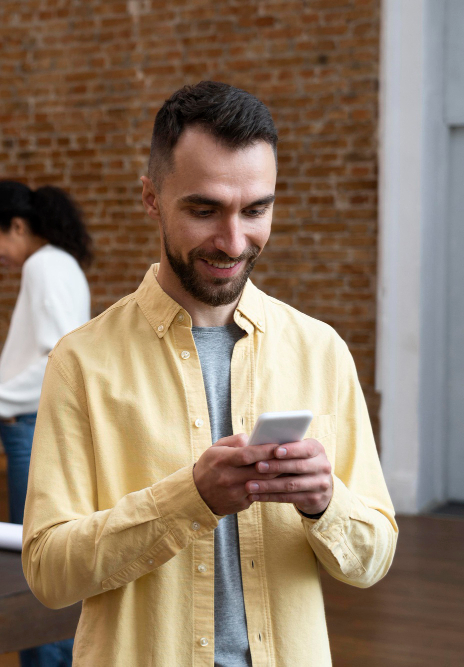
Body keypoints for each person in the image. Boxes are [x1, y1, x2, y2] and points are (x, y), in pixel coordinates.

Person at [21, 81, 398, 666]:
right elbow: (49, 572)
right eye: (204, 210)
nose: (233, 241)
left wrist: (326, 502)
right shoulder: (81, 362)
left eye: (256, 210)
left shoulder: (320, 351)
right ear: (151, 198)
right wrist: (188, 499)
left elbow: (372, 560)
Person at [0, 181, 93, 667]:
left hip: (31, 425)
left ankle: (49, 659)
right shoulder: (59, 264)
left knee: (37, 559)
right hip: (34, 424)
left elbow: (57, 359)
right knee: (47, 552)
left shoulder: (44, 265)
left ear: (17, 226)